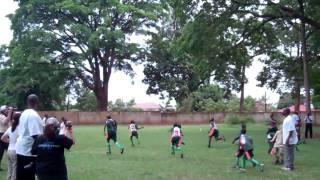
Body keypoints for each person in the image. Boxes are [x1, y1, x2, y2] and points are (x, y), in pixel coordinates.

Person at [15, 94, 43, 180]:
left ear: (27, 102)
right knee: (28, 176)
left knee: (20, 174)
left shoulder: (24, 113)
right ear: (37, 103)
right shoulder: (33, 115)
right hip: (28, 151)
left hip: (20, 148)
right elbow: (35, 135)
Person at [1, 112, 20, 180]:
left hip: (9, 150)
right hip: (16, 150)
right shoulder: (20, 129)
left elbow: (2, 138)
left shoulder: (10, 128)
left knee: (10, 167)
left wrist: (11, 141)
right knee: (15, 168)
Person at [0, 105, 12, 171]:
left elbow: (10, 124)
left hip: (5, 134)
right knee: (0, 152)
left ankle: (12, 165)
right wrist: (10, 113)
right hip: (2, 134)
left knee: (10, 151)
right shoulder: (1, 116)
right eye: (6, 110)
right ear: (3, 111)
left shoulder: (6, 116)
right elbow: (5, 122)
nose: (7, 111)